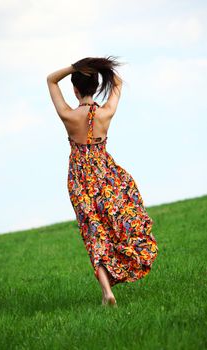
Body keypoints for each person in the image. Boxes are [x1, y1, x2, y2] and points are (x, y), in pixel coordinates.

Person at [46, 56, 158, 307]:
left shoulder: (68, 115)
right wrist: (99, 68)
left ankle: (107, 292)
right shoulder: (106, 113)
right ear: (96, 87)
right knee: (116, 225)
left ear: (74, 90)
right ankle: (120, 270)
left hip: (80, 180)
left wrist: (75, 67)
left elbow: (51, 80)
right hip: (106, 176)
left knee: (93, 232)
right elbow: (117, 83)